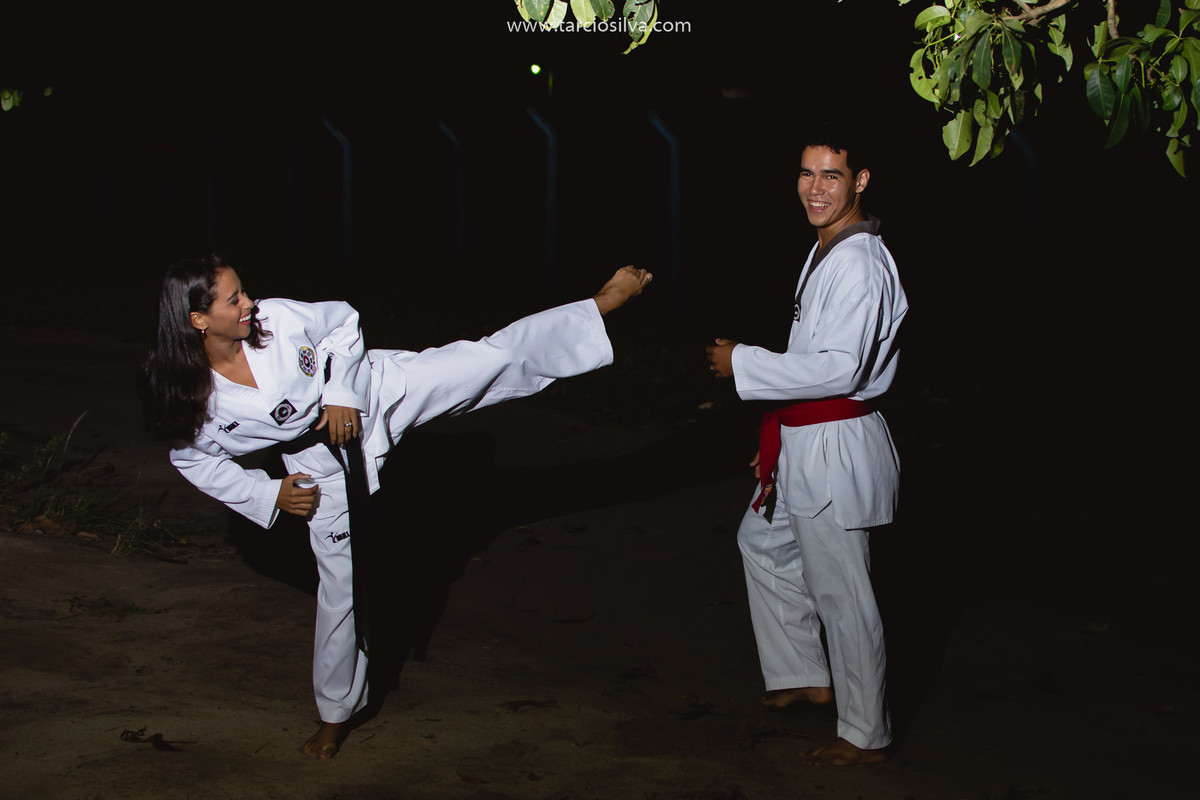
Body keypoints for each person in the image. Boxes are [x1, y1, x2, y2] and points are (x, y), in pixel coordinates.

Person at [141, 254, 652, 759]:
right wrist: (267, 492)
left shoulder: (277, 319)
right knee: (341, 597)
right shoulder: (199, 398)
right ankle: (335, 716)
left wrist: (343, 391)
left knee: (489, 357)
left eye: (244, 290)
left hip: (375, 390)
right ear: (199, 320)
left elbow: (342, 320)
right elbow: (192, 458)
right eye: (235, 299)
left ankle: (599, 305)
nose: (250, 302)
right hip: (321, 472)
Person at [705, 130, 907, 767]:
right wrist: (779, 438)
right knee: (761, 542)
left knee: (844, 595)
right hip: (805, 438)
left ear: (861, 181)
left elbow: (840, 370)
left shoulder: (861, 263)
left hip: (836, 444)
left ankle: (864, 734)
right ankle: (804, 673)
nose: (816, 188)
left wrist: (744, 362)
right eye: (807, 174)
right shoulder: (828, 247)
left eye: (832, 176)